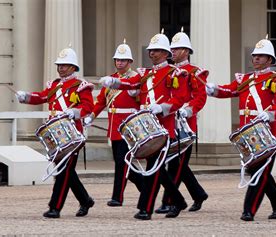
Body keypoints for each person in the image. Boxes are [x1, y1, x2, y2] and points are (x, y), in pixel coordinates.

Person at [99, 30, 189, 220]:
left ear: (166, 53)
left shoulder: (175, 73)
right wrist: (114, 82)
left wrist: (163, 107)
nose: (152, 54)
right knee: (157, 169)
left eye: (156, 50)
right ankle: (178, 201)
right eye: (151, 50)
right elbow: (130, 83)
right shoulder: (146, 74)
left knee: (154, 169)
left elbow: (180, 99)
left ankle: (145, 209)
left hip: (164, 127)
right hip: (147, 128)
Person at [206, 36, 276, 221]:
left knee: (260, 172)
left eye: (261, 56)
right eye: (255, 56)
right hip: (248, 134)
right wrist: (214, 90)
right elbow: (229, 90)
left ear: (270, 59)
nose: (256, 59)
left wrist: (271, 114)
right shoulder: (245, 79)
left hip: (267, 134)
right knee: (258, 171)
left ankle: (248, 210)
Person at [16, 46, 95, 218]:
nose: (61, 68)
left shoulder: (80, 86)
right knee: (67, 171)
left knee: (63, 172)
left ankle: (55, 207)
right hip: (56, 135)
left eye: (65, 65)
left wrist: (74, 112)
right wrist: (26, 97)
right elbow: (42, 97)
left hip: (72, 134)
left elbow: (88, 107)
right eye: (59, 65)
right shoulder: (53, 85)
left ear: (73, 67)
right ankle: (85, 200)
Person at [155, 28, 209, 214]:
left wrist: (188, 110)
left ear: (186, 51)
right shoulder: (168, 71)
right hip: (168, 120)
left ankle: (169, 201)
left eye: (177, 49)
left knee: (176, 165)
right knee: (177, 164)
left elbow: (200, 98)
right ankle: (198, 194)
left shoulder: (195, 72)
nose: (174, 52)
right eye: (172, 49)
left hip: (184, 123)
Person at [84, 40, 144, 207]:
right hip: (114, 126)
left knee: (121, 162)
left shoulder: (135, 79)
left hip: (129, 126)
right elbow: (101, 101)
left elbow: (140, 100)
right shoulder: (110, 79)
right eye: (117, 59)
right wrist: (91, 116)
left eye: (123, 60)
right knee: (121, 162)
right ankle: (145, 186)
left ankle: (117, 197)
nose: (119, 62)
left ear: (130, 62)